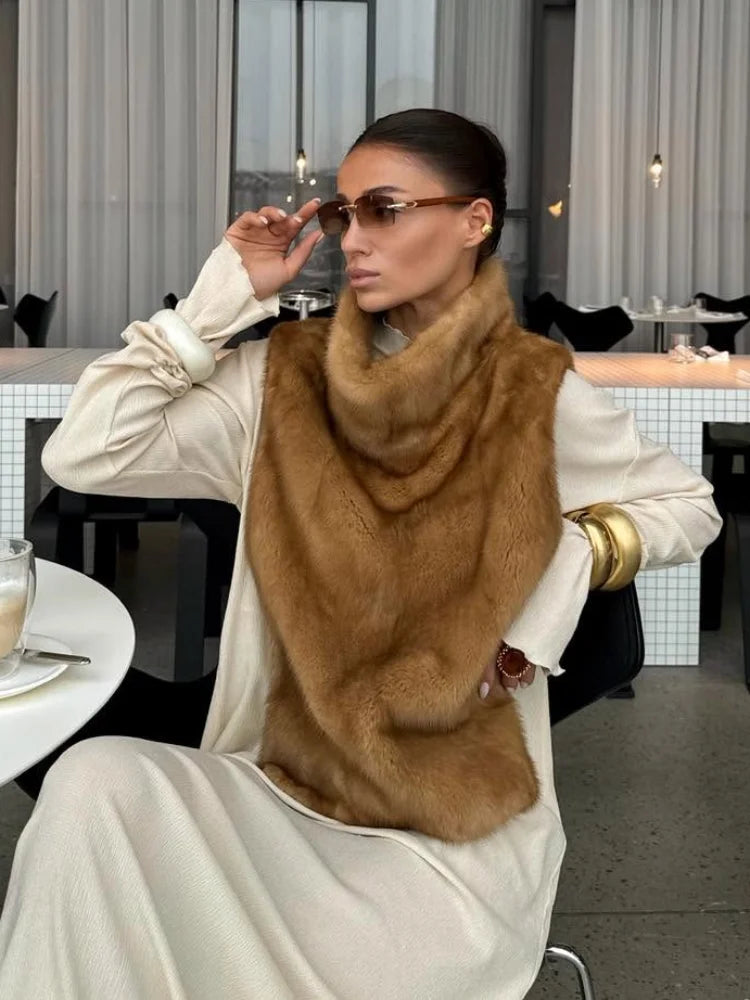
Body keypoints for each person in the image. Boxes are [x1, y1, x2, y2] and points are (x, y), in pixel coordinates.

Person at [0, 109, 721, 998]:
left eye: (384, 209)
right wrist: (221, 298)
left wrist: (565, 554)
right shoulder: (281, 381)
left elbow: (690, 508)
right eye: (345, 215)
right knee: (91, 781)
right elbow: (84, 454)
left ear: (474, 221)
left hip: (444, 849)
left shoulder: (532, 391)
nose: (353, 239)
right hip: (272, 791)